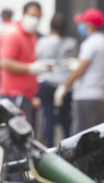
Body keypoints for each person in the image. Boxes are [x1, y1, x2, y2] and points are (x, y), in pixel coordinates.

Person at [54, 8, 104, 135]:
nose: (81, 26)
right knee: (92, 134)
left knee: (79, 136)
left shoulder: (90, 43)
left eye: (83, 23)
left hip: (85, 95)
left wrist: (64, 86)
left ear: (90, 25)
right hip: (99, 95)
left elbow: (81, 69)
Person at [0, 1, 51, 125]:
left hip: (27, 97)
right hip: (15, 95)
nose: (35, 20)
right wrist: (30, 68)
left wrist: (41, 67)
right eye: (32, 16)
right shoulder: (13, 35)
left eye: (38, 17)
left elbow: (28, 60)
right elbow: (4, 63)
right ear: (23, 14)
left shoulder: (31, 36)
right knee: (17, 136)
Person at [35, 12, 78, 147]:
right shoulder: (72, 43)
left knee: (48, 116)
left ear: (51, 26)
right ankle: (67, 147)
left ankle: (49, 146)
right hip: (65, 85)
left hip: (47, 83)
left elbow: (38, 58)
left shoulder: (43, 42)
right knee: (66, 118)